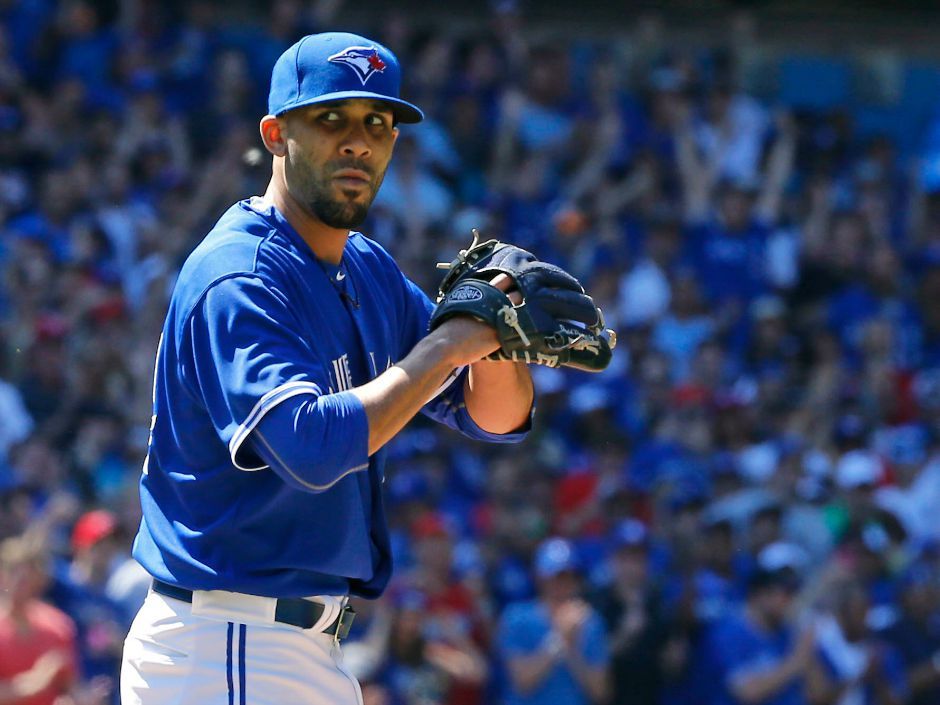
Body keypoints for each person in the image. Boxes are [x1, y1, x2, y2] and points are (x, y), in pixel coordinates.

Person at [120, 31, 536, 705]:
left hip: (296, 647)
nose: (358, 142)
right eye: (331, 119)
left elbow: (495, 416)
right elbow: (312, 448)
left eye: (377, 124)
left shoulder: (367, 268)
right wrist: (450, 344)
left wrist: (498, 339)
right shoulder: (239, 275)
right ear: (276, 133)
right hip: (225, 638)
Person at [496, 537, 610, 705]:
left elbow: (600, 693)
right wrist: (558, 640)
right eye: (556, 577)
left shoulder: (591, 622)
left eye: (569, 577)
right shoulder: (517, 617)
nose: (563, 584)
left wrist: (573, 650)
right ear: (540, 578)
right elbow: (523, 682)